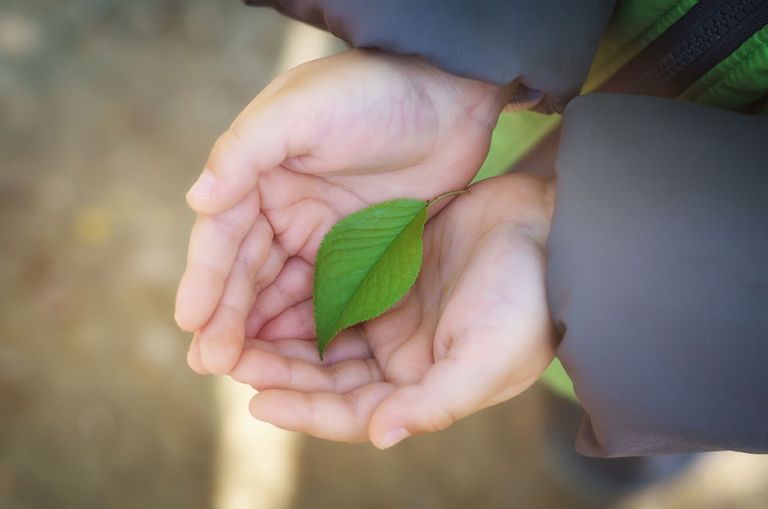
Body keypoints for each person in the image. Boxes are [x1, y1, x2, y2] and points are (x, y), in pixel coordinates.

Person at [175, 0, 768, 456]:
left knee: (618, 401)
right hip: (483, 131)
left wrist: (570, 244)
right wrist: (458, 60)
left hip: (658, 320)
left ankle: (623, 449)